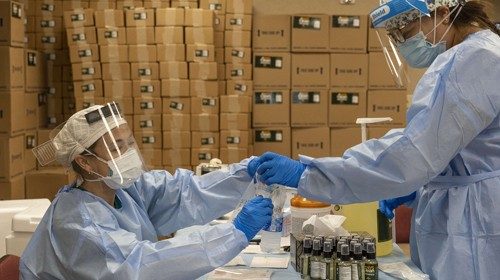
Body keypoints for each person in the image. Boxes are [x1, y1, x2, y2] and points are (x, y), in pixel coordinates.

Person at [248, 0, 500, 279]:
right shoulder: (465, 56)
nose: (403, 41)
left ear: (443, 12)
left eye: (406, 28)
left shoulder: (476, 58)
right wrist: (422, 183)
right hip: (464, 208)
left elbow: (414, 152)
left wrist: (311, 173)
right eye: (395, 34)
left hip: (477, 217)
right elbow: (443, 143)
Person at [21, 103, 273, 279]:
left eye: (129, 142)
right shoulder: (78, 224)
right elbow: (141, 266)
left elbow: (184, 194)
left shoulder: (125, 189)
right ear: (84, 161)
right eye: (117, 147)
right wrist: (232, 235)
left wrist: (246, 173)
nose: (128, 152)